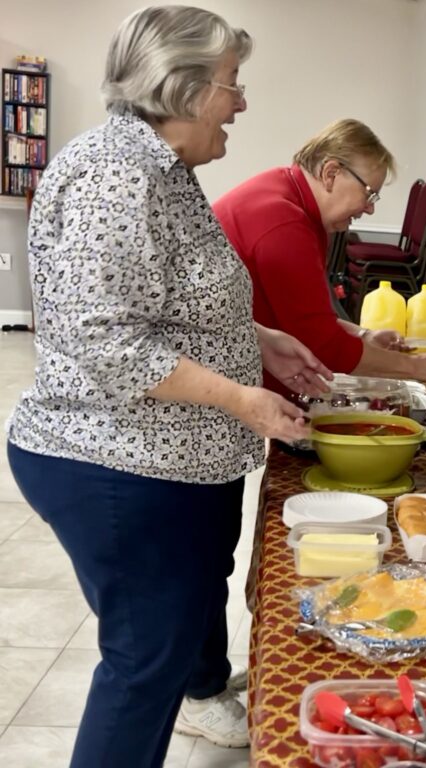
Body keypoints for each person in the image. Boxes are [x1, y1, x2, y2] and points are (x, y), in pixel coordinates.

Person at [4, 7, 331, 766]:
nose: (241, 102)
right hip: (116, 462)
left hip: (164, 459)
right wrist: (239, 398)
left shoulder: (166, 171)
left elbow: (168, 307)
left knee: (163, 648)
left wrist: (261, 341)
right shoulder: (115, 175)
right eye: (231, 84)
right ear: (179, 88)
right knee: (143, 665)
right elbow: (102, 336)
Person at [213, 119, 426, 391]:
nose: (369, 208)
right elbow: (323, 344)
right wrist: (419, 367)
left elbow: (303, 317)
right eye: (369, 194)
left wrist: (363, 335)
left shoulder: (289, 194)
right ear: (331, 173)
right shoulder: (286, 222)